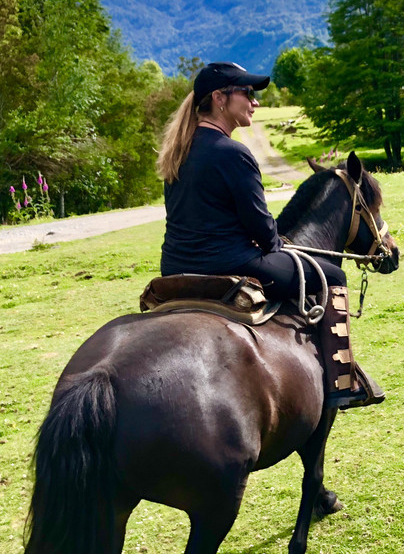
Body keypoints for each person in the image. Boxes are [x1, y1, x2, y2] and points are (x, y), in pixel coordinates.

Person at [157, 61, 384, 409]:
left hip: (175, 267)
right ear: (219, 98)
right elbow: (264, 233)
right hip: (230, 263)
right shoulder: (233, 153)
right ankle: (341, 382)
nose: (255, 102)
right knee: (333, 275)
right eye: (247, 93)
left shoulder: (179, 151)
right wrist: (280, 247)